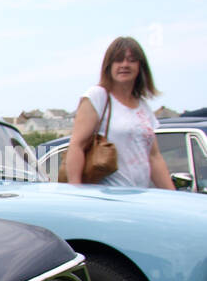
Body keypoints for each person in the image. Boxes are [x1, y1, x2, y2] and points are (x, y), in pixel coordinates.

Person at [64, 36, 173, 188]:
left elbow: (154, 157)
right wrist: (76, 191)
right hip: (108, 200)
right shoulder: (98, 97)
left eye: (131, 60)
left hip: (141, 198)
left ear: (140, 66)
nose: (124, 65)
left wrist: (172, 195)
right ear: (109, 65)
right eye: (118, 60)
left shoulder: (143, 106)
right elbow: (76, 145)